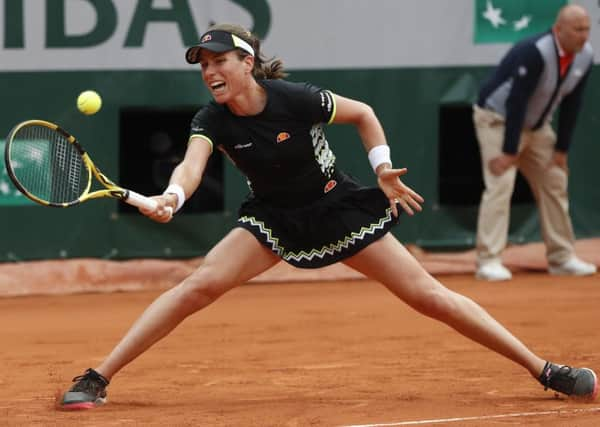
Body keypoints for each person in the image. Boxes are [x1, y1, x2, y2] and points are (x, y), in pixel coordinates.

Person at [60, 23, 597, 410]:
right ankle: (98, 375)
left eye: (219, 60)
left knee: (429, 296)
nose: (210, 72)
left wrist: (382, 168)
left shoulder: (295, 98)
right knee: (196, 287)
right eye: (203, 65)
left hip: (337, 208)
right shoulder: (211, 120)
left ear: (248, 63)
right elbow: (190, 166)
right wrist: (172, 198)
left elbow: (363, 113)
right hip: (273, 219)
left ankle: (544, 369)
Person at [474, 4, 597, 281]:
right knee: (501, 184)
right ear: (559, 29)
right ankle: (488, 261)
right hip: (497, 120)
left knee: (555, 180)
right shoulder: (535, 51)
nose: (584, 35)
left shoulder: (585, 57)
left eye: (587, 29)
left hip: (538, 127)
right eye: (578, 29)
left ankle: (562, 258)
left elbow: (573, 103)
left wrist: (562, 149)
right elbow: (515, 101)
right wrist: (508, 152)